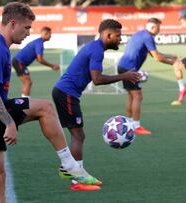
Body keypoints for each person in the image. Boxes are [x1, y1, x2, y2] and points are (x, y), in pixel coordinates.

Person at [0, 3, 100, 202]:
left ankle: (70, 166)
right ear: (12, 23)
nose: (28, 33)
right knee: (46, 107)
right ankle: (70, 165)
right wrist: (9, 123)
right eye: (26, 28)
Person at [52, 19, 141, 191]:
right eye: (118, 35)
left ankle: (74, 172)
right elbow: (97, 79)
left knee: (78, 135)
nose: (120, 39)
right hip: (66, 93)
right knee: (78, 136)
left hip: (67, 93)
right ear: (107, 35)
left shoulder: (95, 47)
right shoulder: (97, 50)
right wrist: (124, 76)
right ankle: (77, 181)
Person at [117, 18, 182, 135]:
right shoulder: (148, 37)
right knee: (138, 96)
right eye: (158, 28)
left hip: (122, 67)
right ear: (153, 27)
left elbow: (153, 54)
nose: (159, 30)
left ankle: (129, 123)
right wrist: (173, 63)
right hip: (130, 69)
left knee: (131, 95)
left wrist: (171, 56)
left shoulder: (140, 34)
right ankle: (136, 127)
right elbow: (157, 57)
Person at [12, 26, 60, 97]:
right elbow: (40, 60)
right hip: (19, 62)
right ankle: (25, 103)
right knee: (27, 82)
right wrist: (52, 66)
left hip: (19, 62)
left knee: (27, 82)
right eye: (50, 34)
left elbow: (38, 59)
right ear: (45, 34)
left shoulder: (39, 42)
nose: (51, 36)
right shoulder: (39, 44)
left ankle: (24, 101)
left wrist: (51, 66)